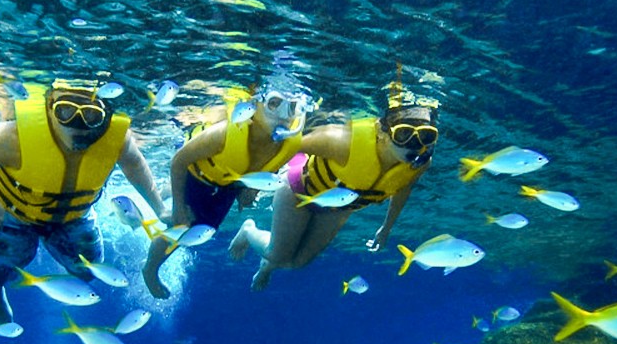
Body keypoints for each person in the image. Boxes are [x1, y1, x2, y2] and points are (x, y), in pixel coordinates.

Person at [0, 76, 165, 323]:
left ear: (106, 115)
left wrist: (160, 208)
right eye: (65, 111)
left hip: (75, 216)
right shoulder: (15, 137)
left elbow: (135, 164)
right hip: (14, 215)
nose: (78, 124)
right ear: (49, 106)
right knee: (4, 266)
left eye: (91, 115)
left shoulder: (118, 140)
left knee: (90, 271)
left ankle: (56, 285)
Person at [229, 82, 438, 291]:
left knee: (298, 263)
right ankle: (249, 232)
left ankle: (267, 265)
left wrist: (386, 228)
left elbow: (402, 188)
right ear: (382, 131)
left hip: (339, 207)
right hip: (299, 190)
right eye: (404, 134)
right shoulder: (342, 142)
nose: (415, 144)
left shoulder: (419, 164)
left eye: (426, 136)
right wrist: (253, 184)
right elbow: (287, 145)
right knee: (278, 256)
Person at [142, 85, 319, 299]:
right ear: (255, 105)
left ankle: (169, 193)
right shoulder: (223, 133)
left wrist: (251, 189)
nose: (284, 115)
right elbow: (179, 162)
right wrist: (178, 208)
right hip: (198, 177)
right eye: (274, 104)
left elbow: (271, 166)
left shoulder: (287, 143)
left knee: (208, 229)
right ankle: (150, 269)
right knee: (183, 228)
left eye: (292, 108)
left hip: (230, 184)